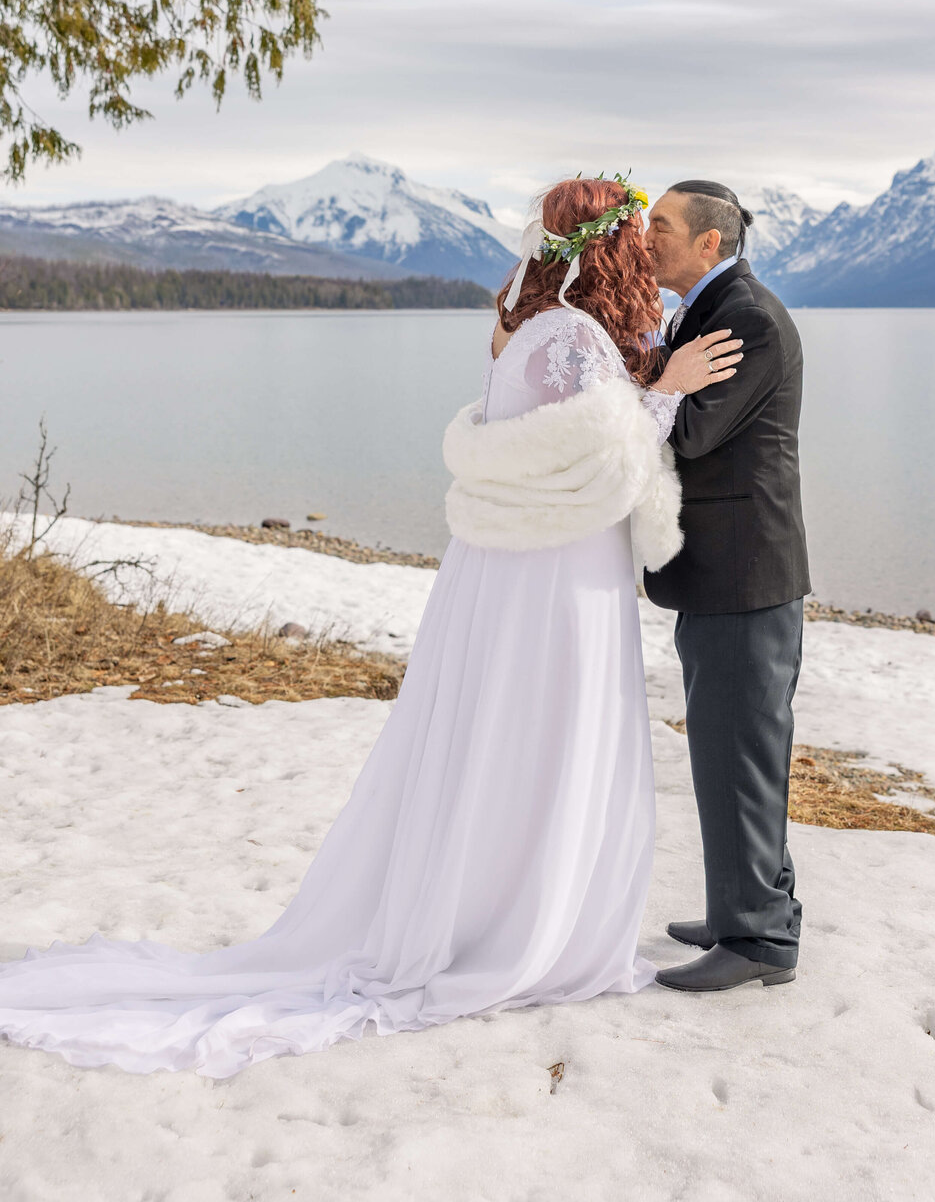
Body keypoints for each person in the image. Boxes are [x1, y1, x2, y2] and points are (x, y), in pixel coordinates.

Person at [0, 176, 741, 1078]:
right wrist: (664, 391)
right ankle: (524, 923)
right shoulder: (577, 340)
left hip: (511, 564)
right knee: (547, 725)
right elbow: (606, 459)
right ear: (611, 250)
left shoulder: (525, 335)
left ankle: (489, 896)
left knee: (501, 730)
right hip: (556, 573)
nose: (646, 254)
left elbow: (547, 444)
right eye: (638, 238)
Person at [644, 180, 811, 994]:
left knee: (742, 753)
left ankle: (757, 942)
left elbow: (695, 429)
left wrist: (654, 382)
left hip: (746, 575)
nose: (645, 237)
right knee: (731, 749)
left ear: (710, 243)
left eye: (661, 226)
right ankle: (744, 906)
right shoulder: (705, 309)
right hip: (723, 572)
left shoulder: (745, 317)